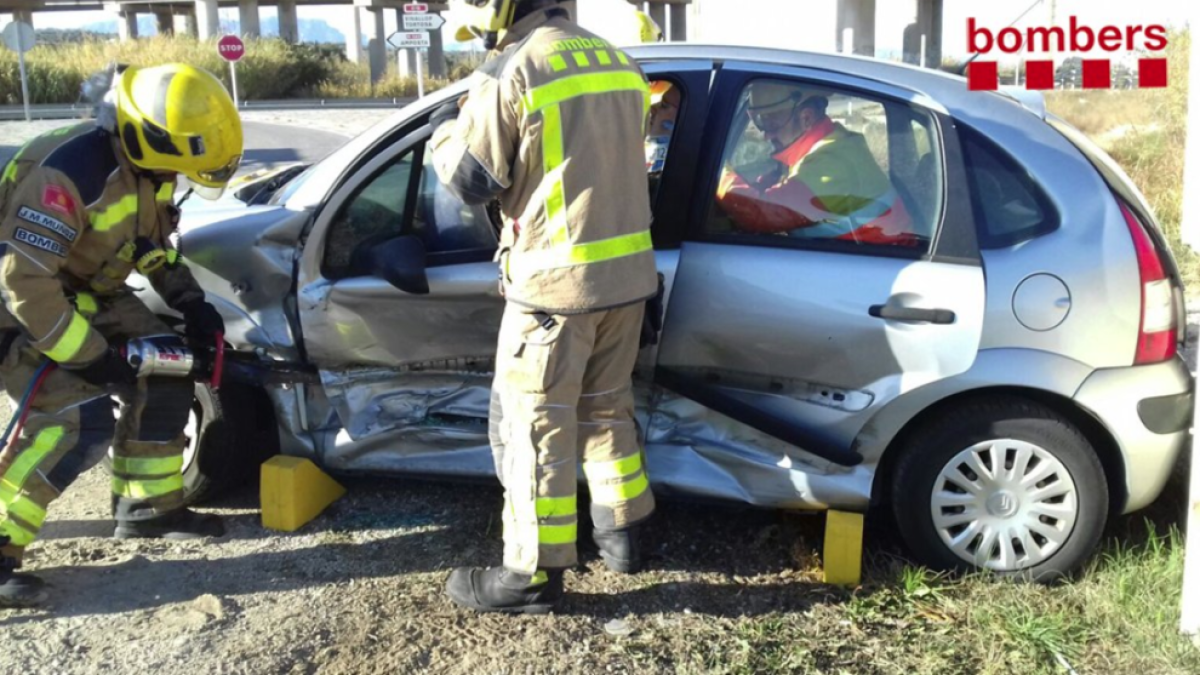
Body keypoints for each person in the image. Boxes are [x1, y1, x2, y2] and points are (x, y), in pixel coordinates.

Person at [432, 0, 659, 614]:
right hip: (628, 280)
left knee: (536, 428)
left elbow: (468, 178)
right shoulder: (616, 60)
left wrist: (445, 132)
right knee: (607, 408)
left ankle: (529, 577)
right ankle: (622, 537)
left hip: (553, 291)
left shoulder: (515, 68)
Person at [0, 63, 242, 607]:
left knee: (170, 366)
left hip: (90, 292)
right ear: (144, 134)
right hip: (20, 306)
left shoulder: (150, 166)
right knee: (72, 421)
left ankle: (148, 510)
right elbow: (25, 283)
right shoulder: (66, 178)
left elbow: (146, 245)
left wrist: (188, 299)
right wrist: (90, 360)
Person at [716, 82, 916, 245]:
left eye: (771, 122)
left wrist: (716, 172)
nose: (766, 134)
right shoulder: (823, 147)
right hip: (860, 263)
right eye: (760, 122)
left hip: (871, 274)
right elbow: (786, 192)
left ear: (806, 118)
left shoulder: (833, 161)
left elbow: (760, 214)